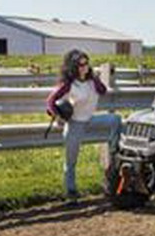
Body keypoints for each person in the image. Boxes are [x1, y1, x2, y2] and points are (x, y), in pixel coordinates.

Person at [46, 50, 121, 201]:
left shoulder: (91, 81)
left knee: (116, 119)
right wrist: (58, 116)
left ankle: (114, 152)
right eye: (80, 64)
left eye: (86, 63)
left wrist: (94, 78)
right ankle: (71, 193)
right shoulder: (68, 84)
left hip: (91, 119)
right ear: (73, 66)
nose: (84, 67)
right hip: (75, 124)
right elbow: (50, 102)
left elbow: (103, 91)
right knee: (71, 162)